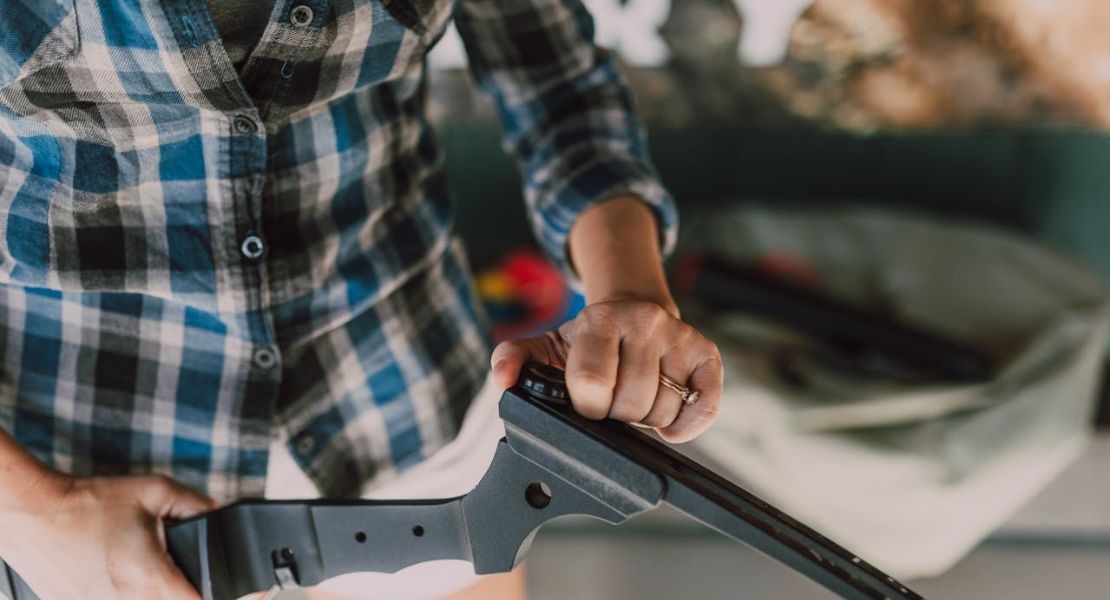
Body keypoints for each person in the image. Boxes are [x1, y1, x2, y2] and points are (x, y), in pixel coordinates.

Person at [0, 1, 722, 598]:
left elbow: (558, 85)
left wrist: (629, 291)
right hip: (81, 472)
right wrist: (37, 512)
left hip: (403, 394)